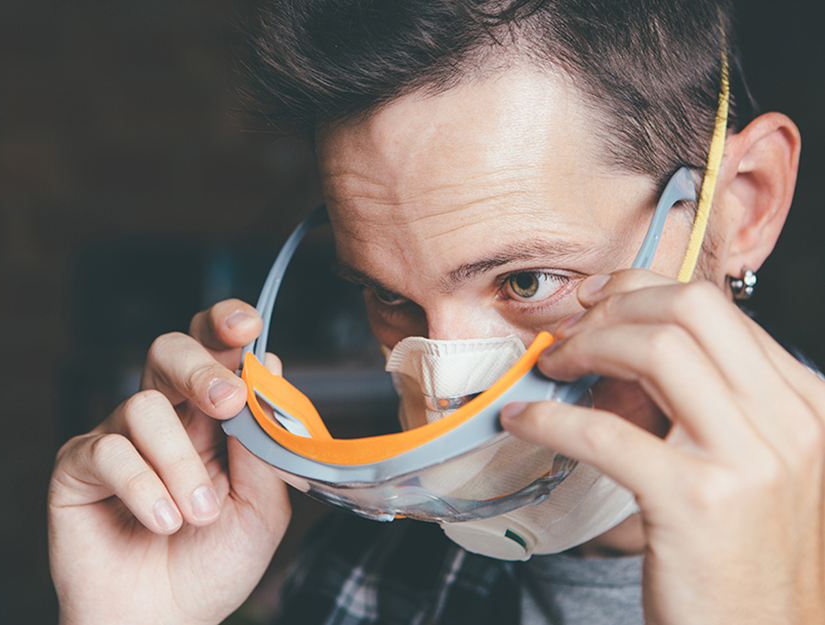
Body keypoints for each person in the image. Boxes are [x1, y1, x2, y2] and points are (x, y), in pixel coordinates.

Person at [47, 1, 825, 623]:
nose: (440, 394)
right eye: (389, 296)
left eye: (525, 282)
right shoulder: (368, 575)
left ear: (745, 206)